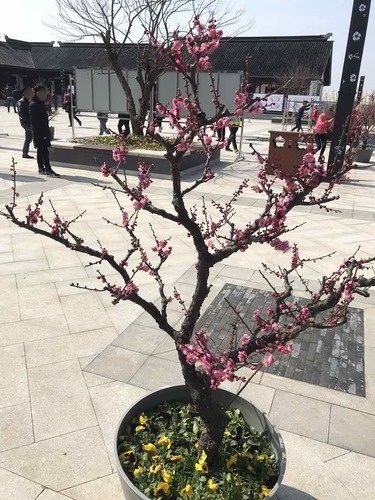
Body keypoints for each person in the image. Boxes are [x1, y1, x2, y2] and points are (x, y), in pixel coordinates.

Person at [29, 84, 60, 177]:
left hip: (43, 131)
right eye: (42, 93)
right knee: (43, 151)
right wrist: (41, 134)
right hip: (39, 132)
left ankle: (43, 168)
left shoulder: (40, 104)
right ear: (37, 93)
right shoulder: (33, 105)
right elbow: (34, 121)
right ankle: (45, 169)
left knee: (42, 150)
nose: (45, 95)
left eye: (45, 93)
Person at [17, 86, 34, 159]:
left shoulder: (28, 100)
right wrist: (29, 120)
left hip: (30, 122)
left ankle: (25, 152)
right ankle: (25, 152)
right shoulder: (22, 102)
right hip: (26, 123)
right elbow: (21, 113)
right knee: (31, 137)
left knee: (28, 138)